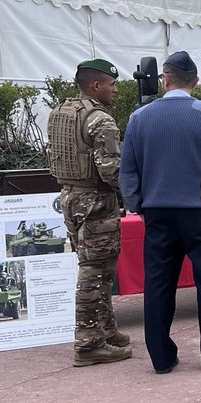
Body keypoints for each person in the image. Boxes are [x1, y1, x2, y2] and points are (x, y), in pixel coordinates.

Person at [120, 51, 201, 375]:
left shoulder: (138, 118)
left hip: (157, 211)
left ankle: (162, 357)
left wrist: (138, 205)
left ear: (164, 80)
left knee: (157, 284)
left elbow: (127, 172)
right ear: (196, 82)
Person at [47, 59, 131, 367]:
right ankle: (89, 343)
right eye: (112, 85)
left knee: (97, 268)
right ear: (96, 86)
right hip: (96, 202)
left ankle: (106, 330)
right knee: (95, 273)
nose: (116, 90)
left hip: (71, 197)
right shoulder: (100, 120)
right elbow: (112, 172)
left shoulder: (63, 112)